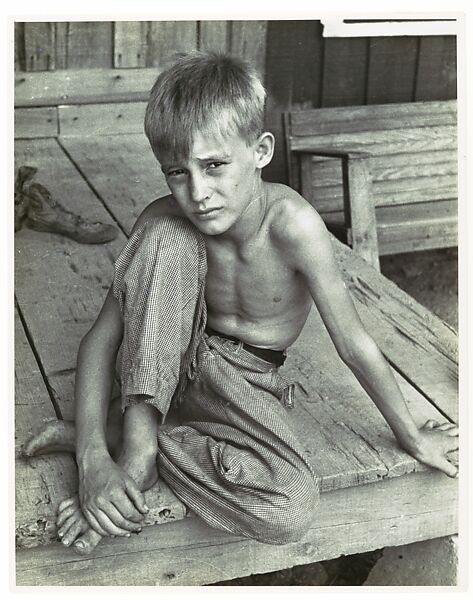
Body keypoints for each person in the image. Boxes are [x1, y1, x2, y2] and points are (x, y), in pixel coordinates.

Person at [25, 51, 458, 556]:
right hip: (163, 362)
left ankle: (128, 434)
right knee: (168, 232)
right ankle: (134, 455)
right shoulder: (166, 220)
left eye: (213, 166)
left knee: (290, 507)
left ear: (260, 150)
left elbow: (354, 343)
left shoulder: (293, 226)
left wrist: (410, 434)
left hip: (244, 383)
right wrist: (91, 459)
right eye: (177, 172)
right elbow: (102, 339)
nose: (198, 192)